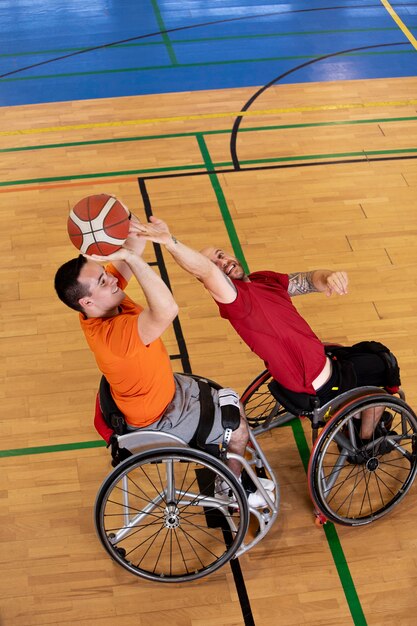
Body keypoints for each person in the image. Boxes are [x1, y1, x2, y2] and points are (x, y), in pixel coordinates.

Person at [54, 209, 274, 506]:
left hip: (165, 395)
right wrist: (134, 260)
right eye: (104, 282)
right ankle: (230, 488)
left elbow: (130, 248)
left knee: (229, 403)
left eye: (106, 274)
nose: (113, 280)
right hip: (159, 420)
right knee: (236, 428)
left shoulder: (102, 304)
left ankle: (228, 468)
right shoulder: (115, 338)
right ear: (87, 301)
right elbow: (167, 309)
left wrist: (121, 216)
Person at [136, 216, 399, 441]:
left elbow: (308, 280)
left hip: (318, 365)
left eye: (221, 255)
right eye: (215, 265)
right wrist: (170, 242)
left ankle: (359, 418)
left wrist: (329, 276)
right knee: (384, 365)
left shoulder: (262, 280)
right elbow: (205, 271)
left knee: (369, 351)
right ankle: (366, 442)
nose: (222, 262)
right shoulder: (235, 300)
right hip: (317, 383)